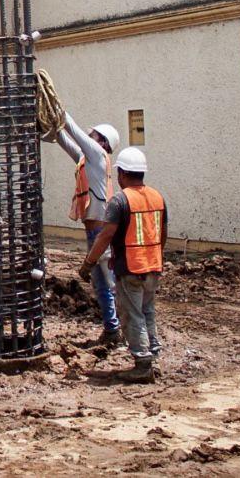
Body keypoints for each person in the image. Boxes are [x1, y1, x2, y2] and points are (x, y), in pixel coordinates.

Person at [81, 146, 167, 384]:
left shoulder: (120, 200)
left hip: (131, 267)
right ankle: (153, 352)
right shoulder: (157, 196)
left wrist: (89, 264)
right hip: (153, 265)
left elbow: (105, 236)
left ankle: (142, 363)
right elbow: (163, 233)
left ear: (122, 174)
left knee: (132, 315)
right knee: (148, 311)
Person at [55, 114, 122, 346]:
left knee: (111, 284)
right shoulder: (87, 160)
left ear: (102, 142)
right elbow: (66, 141)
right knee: (101, 285)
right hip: (93, 231)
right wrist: (53, 126)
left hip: (102, 232)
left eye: (94, 135)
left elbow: (76, 133)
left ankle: (125, 330)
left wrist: (58, 110)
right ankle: (112, 330)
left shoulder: (98, 156)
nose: (89, 135)